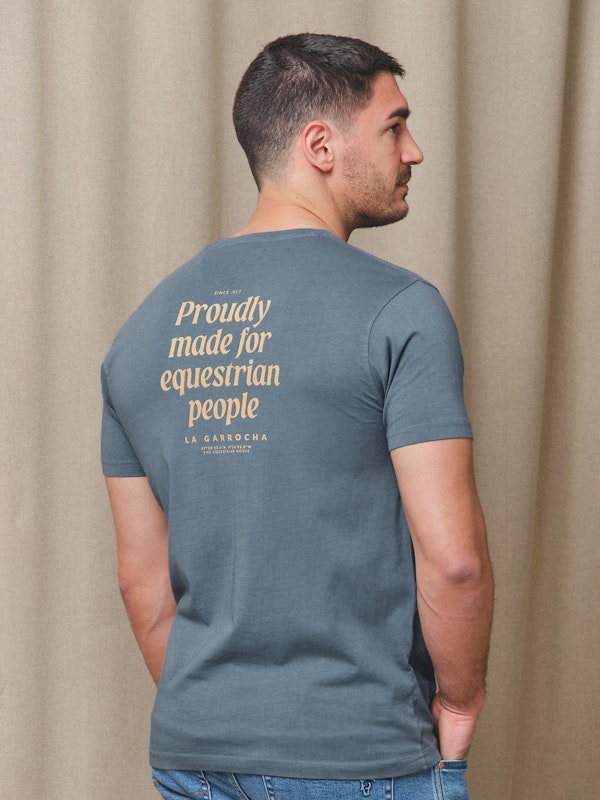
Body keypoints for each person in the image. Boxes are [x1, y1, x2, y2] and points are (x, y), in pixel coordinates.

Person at [101, 33, 494, 800]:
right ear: (320, 145)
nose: (413, 151)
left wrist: (222, 725)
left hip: (193, 751)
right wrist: (460, 701)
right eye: (394, 126)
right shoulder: (400, 310)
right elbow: (455, 562)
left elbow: (140, 581)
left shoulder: (138, 337)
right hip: (359, 755)